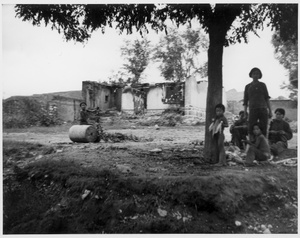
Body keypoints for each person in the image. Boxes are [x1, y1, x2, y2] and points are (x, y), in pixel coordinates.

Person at [243, 67, 272, 140]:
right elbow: (245, 101)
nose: (256, 75)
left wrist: (270, 111)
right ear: (251, 75)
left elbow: (267, 98)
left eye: (257, 74)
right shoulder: (248, 86)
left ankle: (264, 144)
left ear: (260, 75)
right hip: (252, 109)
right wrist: (245, 112)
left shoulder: (262, 85)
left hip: (263, 109)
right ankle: (252, 144)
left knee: (263, 127)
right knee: (251, 127)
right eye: (254, 74)